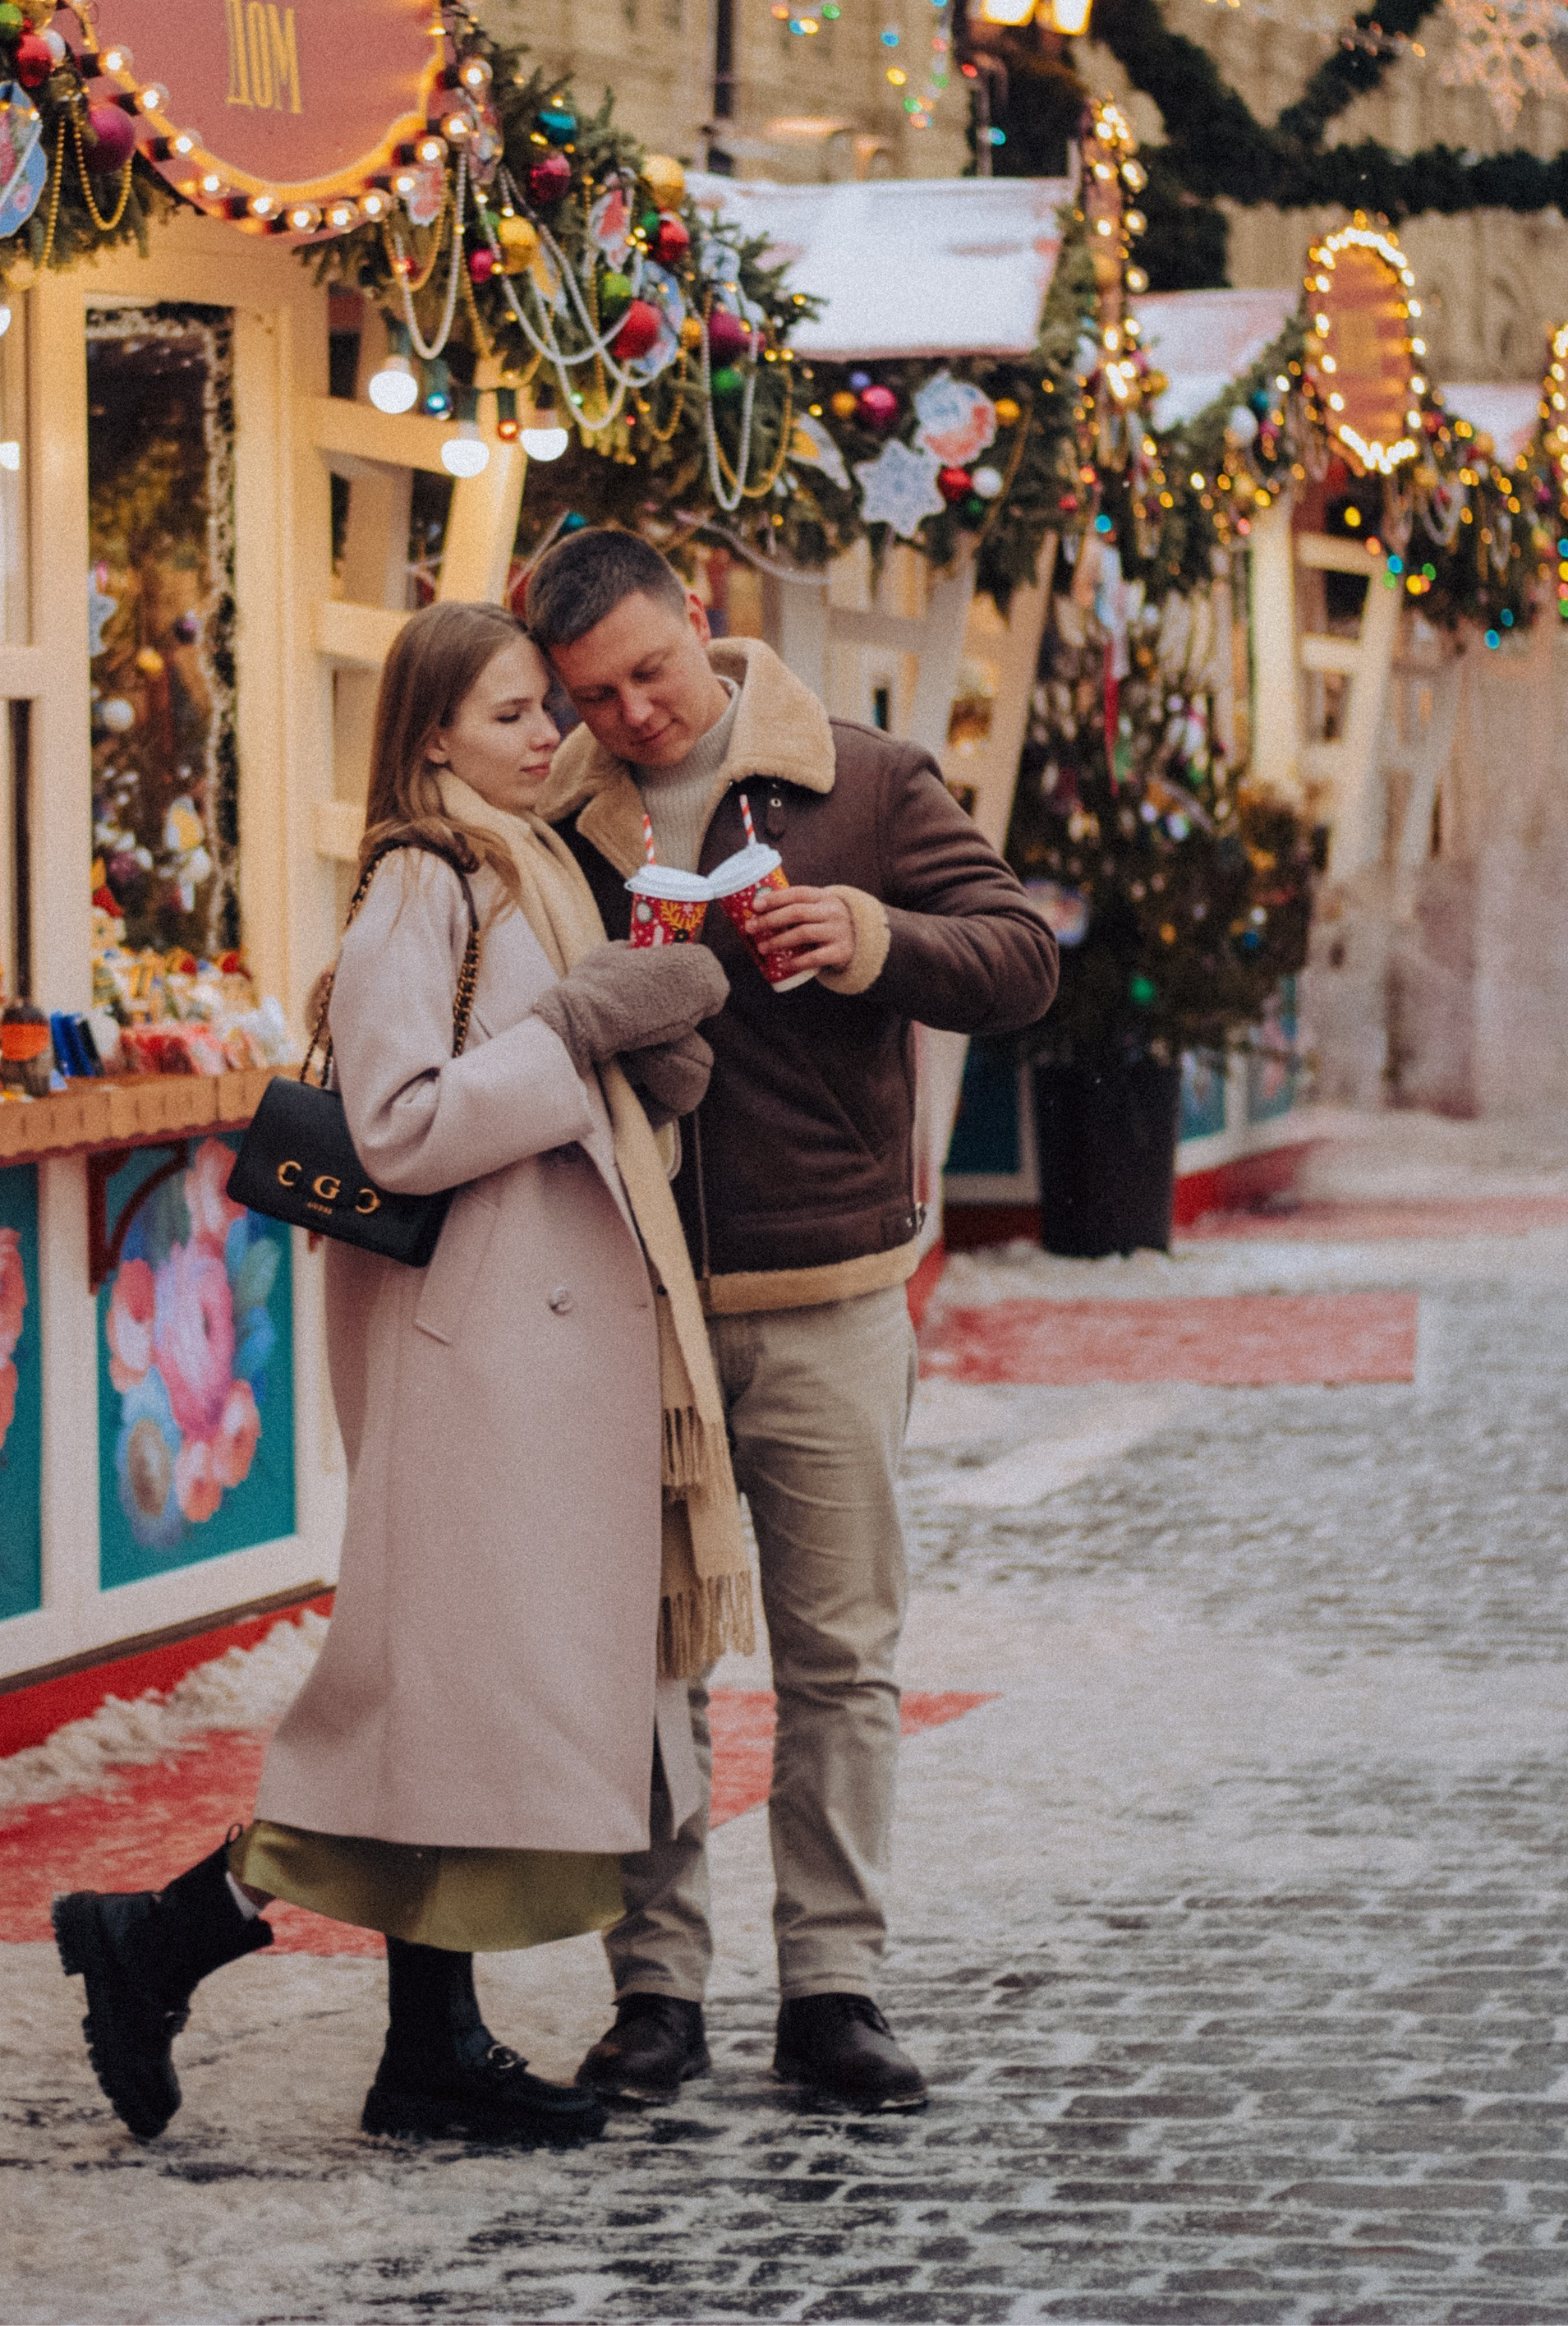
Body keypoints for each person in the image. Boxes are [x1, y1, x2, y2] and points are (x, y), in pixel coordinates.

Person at [53, 600, 749, 2151]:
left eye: (544, 712)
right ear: (432, 730)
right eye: (513, 714)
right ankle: (167, 1943)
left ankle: (412, 2043)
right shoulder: (422, 882)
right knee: (442, 1708)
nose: (547, 735)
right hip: (476, 1363)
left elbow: (563, 1087)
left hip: (535, 1357)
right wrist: (579, 1035)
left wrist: (649, 1048)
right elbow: (397, 1125)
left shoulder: (538, 866)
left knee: (459, 1718)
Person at [526, 528, 1059, 2117]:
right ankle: (656, 1994)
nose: (633, 713)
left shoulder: (867, 779)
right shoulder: (550, 816)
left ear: (705, 622)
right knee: (649, 1663)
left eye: (651, 671)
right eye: (594, 695)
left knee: (839, 1657)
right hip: (632, 1301)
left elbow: (1024, 956)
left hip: (828, 1295)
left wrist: (873, 940)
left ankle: (834, 1988)